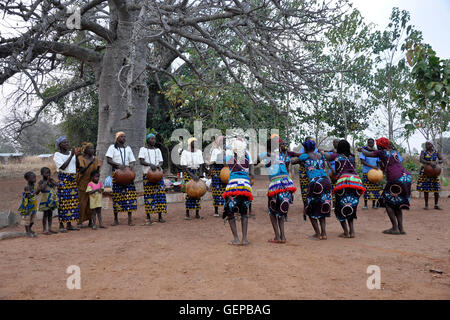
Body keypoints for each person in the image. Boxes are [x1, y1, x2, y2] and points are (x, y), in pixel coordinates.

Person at [359, 137, 412, 235]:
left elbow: (367, 153)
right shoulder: (393, 152)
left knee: (387, 202)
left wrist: (361, 149)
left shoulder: (381, 153)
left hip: (395, 178)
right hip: (406, 177)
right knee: (397, 202)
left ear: (379, 145)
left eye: (378, 144)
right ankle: (401, 228)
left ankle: (395, 228)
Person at [322, 140, 366, 238]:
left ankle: (346, 232)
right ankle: (352, 232)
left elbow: (327, 157)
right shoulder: (353, 157)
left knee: (340, 206)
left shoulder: (336, 156)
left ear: (339, 148)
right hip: (356, 182)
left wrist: (322, 152)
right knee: (351, 205)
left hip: (343, 182)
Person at [259, 137, 297, 243]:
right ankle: (283, 236)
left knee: (272, 211)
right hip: (287, 183)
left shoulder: (264, 155)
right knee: (281, 211)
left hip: (275, 184)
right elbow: (287, 167)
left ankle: (277, 237)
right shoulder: (283, 156)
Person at [292, 140, 332, 240]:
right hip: (326, 181)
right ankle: (324, 233)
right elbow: (330, 157)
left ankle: (318, 234)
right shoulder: (320, 155)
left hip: (315, 183)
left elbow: (292, 161)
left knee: (310, 209)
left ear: (305, 148)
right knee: (322, 206)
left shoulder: (304, 156)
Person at [222, 138, 253, 245]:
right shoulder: (247, 157)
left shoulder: (229, 158)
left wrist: (225, 146)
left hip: (233, 186)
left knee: (230, 212)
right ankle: (244, 239)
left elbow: (223, 160)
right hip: (245, 186)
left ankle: (236, 238)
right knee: (244, 213)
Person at [105, 132, 138, 226]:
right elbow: (108, 160)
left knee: (130, 196)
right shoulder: (112, 147)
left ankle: (130, 219)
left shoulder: (128, 148)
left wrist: (131, 166)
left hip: (127, 174)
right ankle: (115, 219)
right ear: (117, 138)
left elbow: (132, 161)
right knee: (117, 196)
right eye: (121, 137)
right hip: (117, 174)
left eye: (124, 137)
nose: (124, 138)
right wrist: (118, 165)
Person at [53, 136, 81, 232]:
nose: (67, 144)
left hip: (72, 179)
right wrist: (71, 155)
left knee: (72, 202)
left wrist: (76, 156)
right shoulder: (57, 155)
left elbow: (77, 166)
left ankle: (69, 224)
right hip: (64, 179)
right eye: (65, 143)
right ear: (60, 145)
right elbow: (63, 167)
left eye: (67, 142)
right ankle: (61, 225)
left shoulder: (72, 154)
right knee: (63, 202)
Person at [139, 132, 167, 225]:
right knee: (149, 196)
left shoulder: (158, 150)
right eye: (151, 139)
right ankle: (148, 217)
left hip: (158, 175)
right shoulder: (143, 149)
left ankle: (160, 216)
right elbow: (141, 161)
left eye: (154, 139)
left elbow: (161, 161)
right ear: (147, 140)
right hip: (148, 175)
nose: (153, 140)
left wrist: (158, 165)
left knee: (159, 195)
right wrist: (150, 165)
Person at [76, 142, 101, 228]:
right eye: (90, 149)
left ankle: (91, 221)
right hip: (83, 183)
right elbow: (81, 170)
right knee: (82, 203)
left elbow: (97, 170)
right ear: (85, 150)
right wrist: (90, 163)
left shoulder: (95, 159)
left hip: (92, 183)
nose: (92, 150)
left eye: (93, 148)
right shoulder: (81, 158)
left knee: (91, 203)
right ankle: (80, 221)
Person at [180, 137, 205, 220]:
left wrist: (200, 173)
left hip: (196, 173)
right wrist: (192, 175)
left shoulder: (199, 152)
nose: (196, 143)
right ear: (190, 144)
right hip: (188, 173)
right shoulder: (184, 152)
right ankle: (187, 213)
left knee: (198, 192)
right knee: (189, 192)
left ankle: (197, 213)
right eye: (194, 142)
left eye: (196, 142)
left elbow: (201, 164)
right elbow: (184, 166)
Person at [417, 141, 444, 210]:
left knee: (436, 188)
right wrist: (429, 162)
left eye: (428, 144)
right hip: (426, 172)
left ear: (432, 145)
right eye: (426, 144)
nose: (427, 146)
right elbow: (421, 159)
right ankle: (426, 205)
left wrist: (436, 162)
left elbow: (441, 160)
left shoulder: (436, 152)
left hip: (435, 171)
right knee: (426, 188)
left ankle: (436, 204)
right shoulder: (423, 152)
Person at [360, 138, 382, 209]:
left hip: (375, 173)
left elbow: (378, 162)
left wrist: (378, 168)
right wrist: (372, 166)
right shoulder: (364, 151)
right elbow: (362, 161)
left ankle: (374, 204)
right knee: (367, 188)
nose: (370, 144)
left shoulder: (376, 152)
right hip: (366, 172)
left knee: (375, 189)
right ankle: (365, 204)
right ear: (367, 143)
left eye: (372, 143)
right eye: (369, 143)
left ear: (373, 144)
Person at [208, 136, 227, 217]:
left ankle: (225, 209)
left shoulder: (227, 151)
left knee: (225, 190)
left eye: (225, 141)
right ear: (219, 142)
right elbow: (212, 162)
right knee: (216, 190)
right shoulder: (215, 150)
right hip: (216, 171)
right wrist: (211, 171)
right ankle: (216, 210)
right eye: (223, 141)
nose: (224, 142)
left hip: (224, 172)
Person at [37, 167, 58, 235]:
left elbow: (56, 185)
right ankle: (44, 229)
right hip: (45, 200)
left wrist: (52, 181)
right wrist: (46, 182)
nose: (48, 174)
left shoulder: (51, 180)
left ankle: (50, 228)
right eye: (46, 173)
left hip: (51, 199)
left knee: (50, 214)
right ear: (42, 174)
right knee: (45, 214)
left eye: (49, 173)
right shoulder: (41, 182)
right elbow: (41, 189)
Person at [18, 172, 39, 237]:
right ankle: (27, 232)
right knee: (27, 219)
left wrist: (39, 189)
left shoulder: (33, 185)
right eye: (33, 178)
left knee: (32, 220)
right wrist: (36, 191)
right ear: (27, 179)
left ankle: (29, 229)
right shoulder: (27, 187)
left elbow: (36, 193)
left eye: (35, 177)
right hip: (27, 206)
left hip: (33, 205)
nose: (35, 179)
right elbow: (29, 196)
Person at [298, 137, 318, 207]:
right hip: (303, 172)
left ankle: (314, 204)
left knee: (314, 187)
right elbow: (299, 158)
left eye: (313, 141)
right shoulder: (302, 150)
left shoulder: (316, 150)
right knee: (304, 188)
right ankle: (306, 205)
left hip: (313, 171)